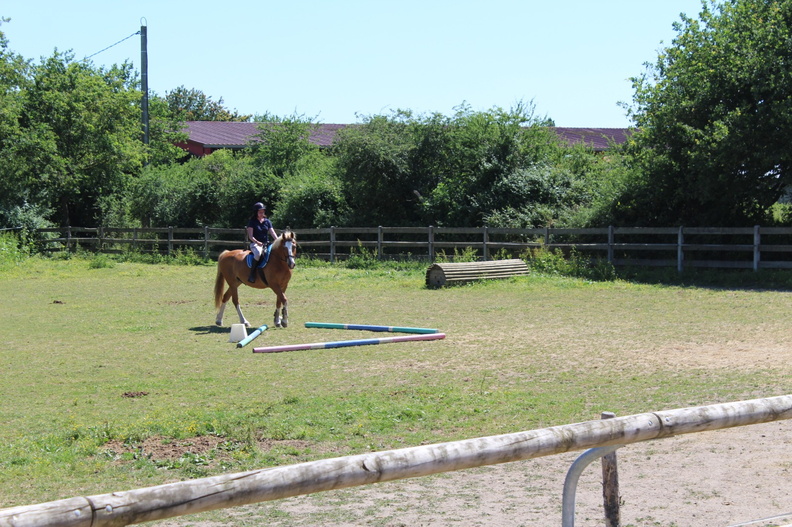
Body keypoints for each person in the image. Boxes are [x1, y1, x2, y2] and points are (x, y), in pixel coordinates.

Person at [246, 202, 278, 283]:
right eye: (260, 212)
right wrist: (257, 242)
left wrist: (277, 240)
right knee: (258, 254)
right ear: (256, 212)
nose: (262, 213)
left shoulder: (267, 221)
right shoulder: (252, 222)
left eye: (263, 211)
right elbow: (250, 236)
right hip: (255, 244)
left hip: (266, 243)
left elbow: (272, 232)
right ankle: (252, 274)